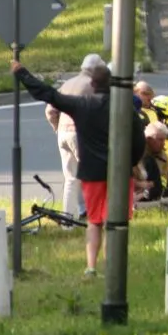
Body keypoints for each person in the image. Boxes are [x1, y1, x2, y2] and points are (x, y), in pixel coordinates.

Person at [12, 60, 145, 276]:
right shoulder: (124, 109)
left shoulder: (82, 106)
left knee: (94, 221)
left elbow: (48, 95)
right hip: (119, 172)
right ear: (111, 84)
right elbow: (139, 141)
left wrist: (22, 73)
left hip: (91, 173)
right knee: (115, 223)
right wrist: (130, 164)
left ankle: (91, 266)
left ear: (92, 84)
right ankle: (112, 268)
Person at [46, 54, 106, 220]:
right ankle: (96, 214)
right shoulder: (94, 85)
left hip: (63, 133)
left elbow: (50, 110)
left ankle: (68, 219)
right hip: (81, 134)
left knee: (71, 179)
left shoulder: (67, 84)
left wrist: (57, 128)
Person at [135, 121, 168, 203]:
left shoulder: (163, 157)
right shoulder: (137, 151)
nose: (163, 144)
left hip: (152, 197)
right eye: (160, 140)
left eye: (164, 140)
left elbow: (163, 180)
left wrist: (158, 190)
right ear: (149, 139)